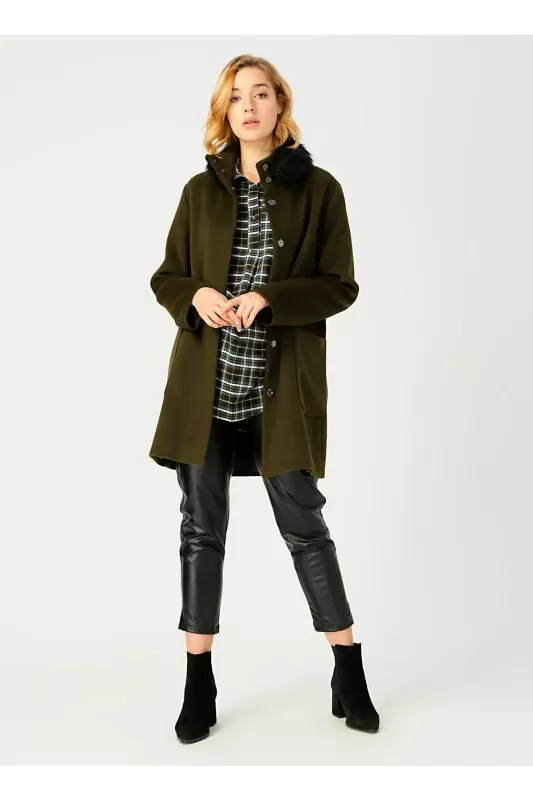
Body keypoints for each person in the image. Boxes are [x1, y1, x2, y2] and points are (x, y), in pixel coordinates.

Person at [148, 54, 380, 744]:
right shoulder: (199, 191)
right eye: (235, 97)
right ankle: (198, 680)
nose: (247, 107)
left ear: (280, 104)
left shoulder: (320, 190)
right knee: (200, 531)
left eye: (260, 94)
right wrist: (195, 293)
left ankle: (348, 670)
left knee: (304, 526)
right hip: (206, 388)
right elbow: (166, 276)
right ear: (224, 111)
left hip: (280, 389)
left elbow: (339, 286)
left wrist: (269, 298)